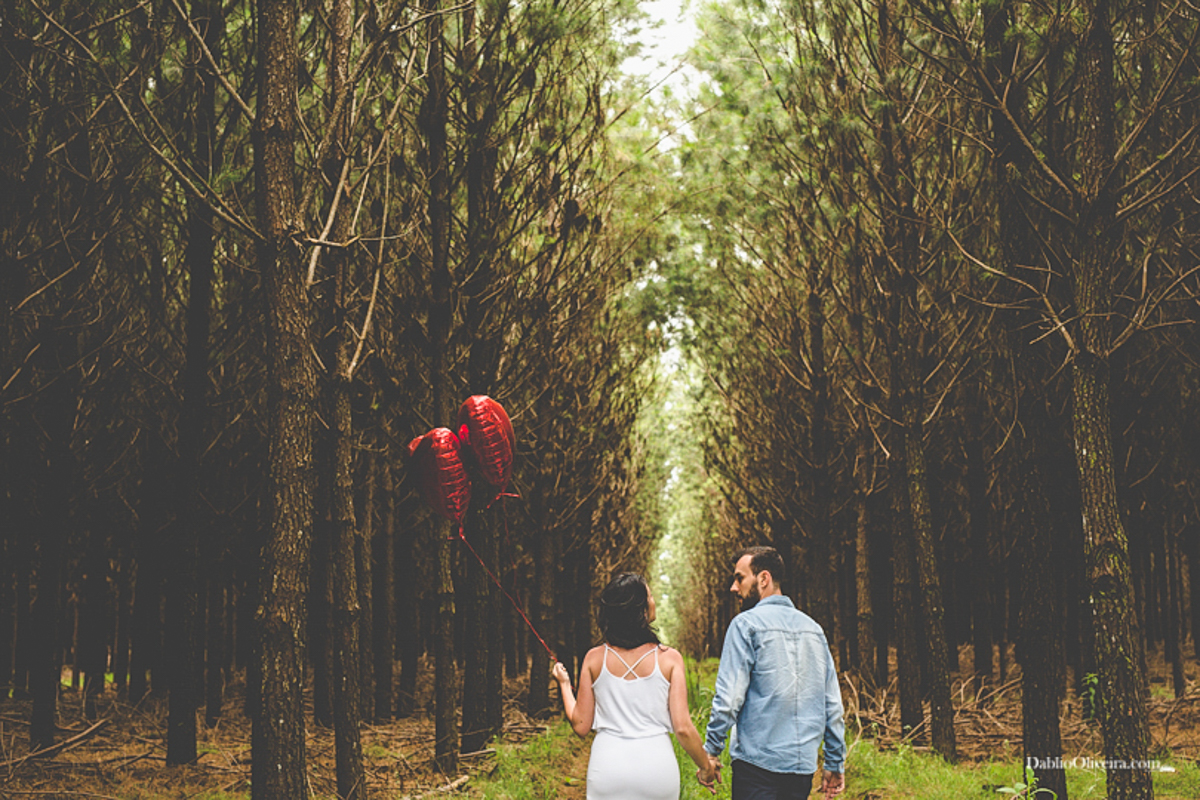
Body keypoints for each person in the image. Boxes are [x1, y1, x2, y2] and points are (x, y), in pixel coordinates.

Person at [553, 572, 718, 799]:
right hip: (657, 769)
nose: (653, 601)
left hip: (607, 768)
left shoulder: (593, 658)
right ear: (640, 609)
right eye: (649, 596)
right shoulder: (670, 659)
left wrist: (564, 684)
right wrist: (706, 767)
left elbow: (581, 725)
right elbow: (683, 728)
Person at [702, 546, 846, 800]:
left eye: (739, 577)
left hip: (757, 767)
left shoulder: (745, 625)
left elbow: (729, 697)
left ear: (763, 578)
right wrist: (834, 763)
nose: (734, 588)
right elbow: (832, 703)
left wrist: (711, 751)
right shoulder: (814, 629)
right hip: (801, 769)